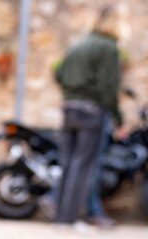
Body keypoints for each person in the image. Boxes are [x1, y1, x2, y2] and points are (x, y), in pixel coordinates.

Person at [54, 5, 128, 226]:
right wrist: (119, 119)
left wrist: (69, 93)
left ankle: (60, 216)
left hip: (70, 108)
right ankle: (70, 218)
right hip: (92, 111)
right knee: (83, 165)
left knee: (67, 162)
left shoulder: (78, 44)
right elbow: (109, 88)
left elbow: (58, 72)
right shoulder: (108, 48)